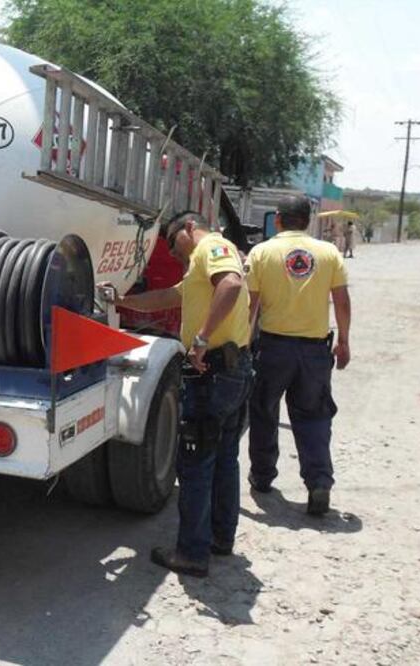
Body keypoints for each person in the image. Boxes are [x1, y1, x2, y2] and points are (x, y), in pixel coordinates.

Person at [107, 211, 252, 577]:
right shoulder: (199, 266)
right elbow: (167, 298)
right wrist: (119, 300)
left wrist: (201, 340)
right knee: (223, 458)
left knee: (196, 461)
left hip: (213, 372)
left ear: (189, 228)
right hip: (231, 370)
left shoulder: (212, 246)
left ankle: (191, 553)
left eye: (173, 244)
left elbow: (231, 285)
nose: (172, 254)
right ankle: (220, 538)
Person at [245, 193, 351, 515]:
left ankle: (262, 477)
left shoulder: (262, 252)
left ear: (277, 218)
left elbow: (252, 306)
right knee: (314, 416)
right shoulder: (329, 252)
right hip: (315, 351)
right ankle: (318, 482)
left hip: (273, 348)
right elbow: (342, 301)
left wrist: (243, 344)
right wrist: (344, 341)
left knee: (264, 411)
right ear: (308, 220)